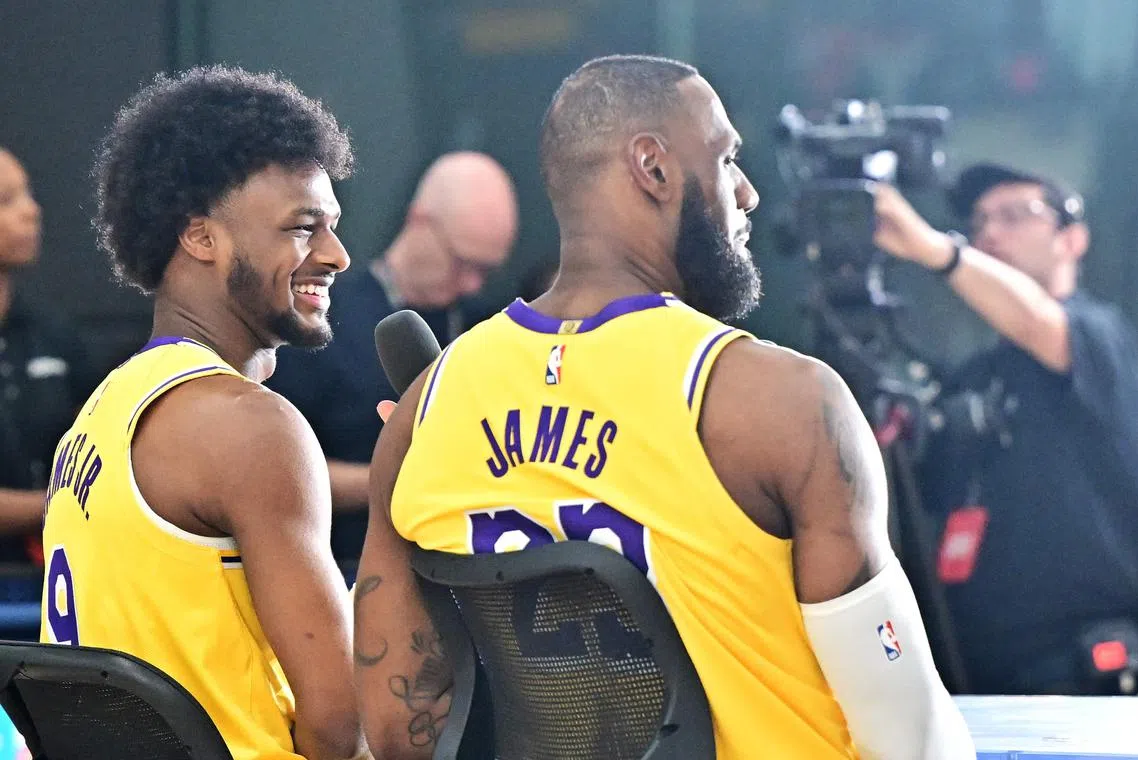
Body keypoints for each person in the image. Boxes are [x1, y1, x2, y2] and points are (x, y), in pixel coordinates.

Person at [354, 55, 974, 759]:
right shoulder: (782, 404)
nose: (747, 193)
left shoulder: (423, 412)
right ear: (653, 168)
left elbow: (399, 731)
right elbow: (911, 739)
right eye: (728, 157)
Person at [40, 66, 371, 760]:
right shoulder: (248, 427)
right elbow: (345, 728)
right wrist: (402, 493)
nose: (337, 255)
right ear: (202, 238)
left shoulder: (100, 414)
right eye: (303, 228)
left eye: (333, 227)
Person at [874, 165, 1138, 694]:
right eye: (979, 222)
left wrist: (937, 249)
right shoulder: (975, 377)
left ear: (1072, 238)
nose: (990, 233)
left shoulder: (1097, 336)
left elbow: (1040, 321)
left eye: (1015, 215)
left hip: (1082, 671)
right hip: (973, 671)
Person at [267, 151, 516, 559]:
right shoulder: (323, 315)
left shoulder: (487, 325)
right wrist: (396, 481)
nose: (472, 284)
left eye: (487, 271)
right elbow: (276, 472)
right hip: (350, 560)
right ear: (420, 221)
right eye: (463, 262)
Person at [0, 148, 95, 557]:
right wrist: (65, 505)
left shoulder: (52, 335)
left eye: (27, 195)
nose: (31, 211)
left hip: (48, 584)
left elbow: (100, 446)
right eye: (7, 201)